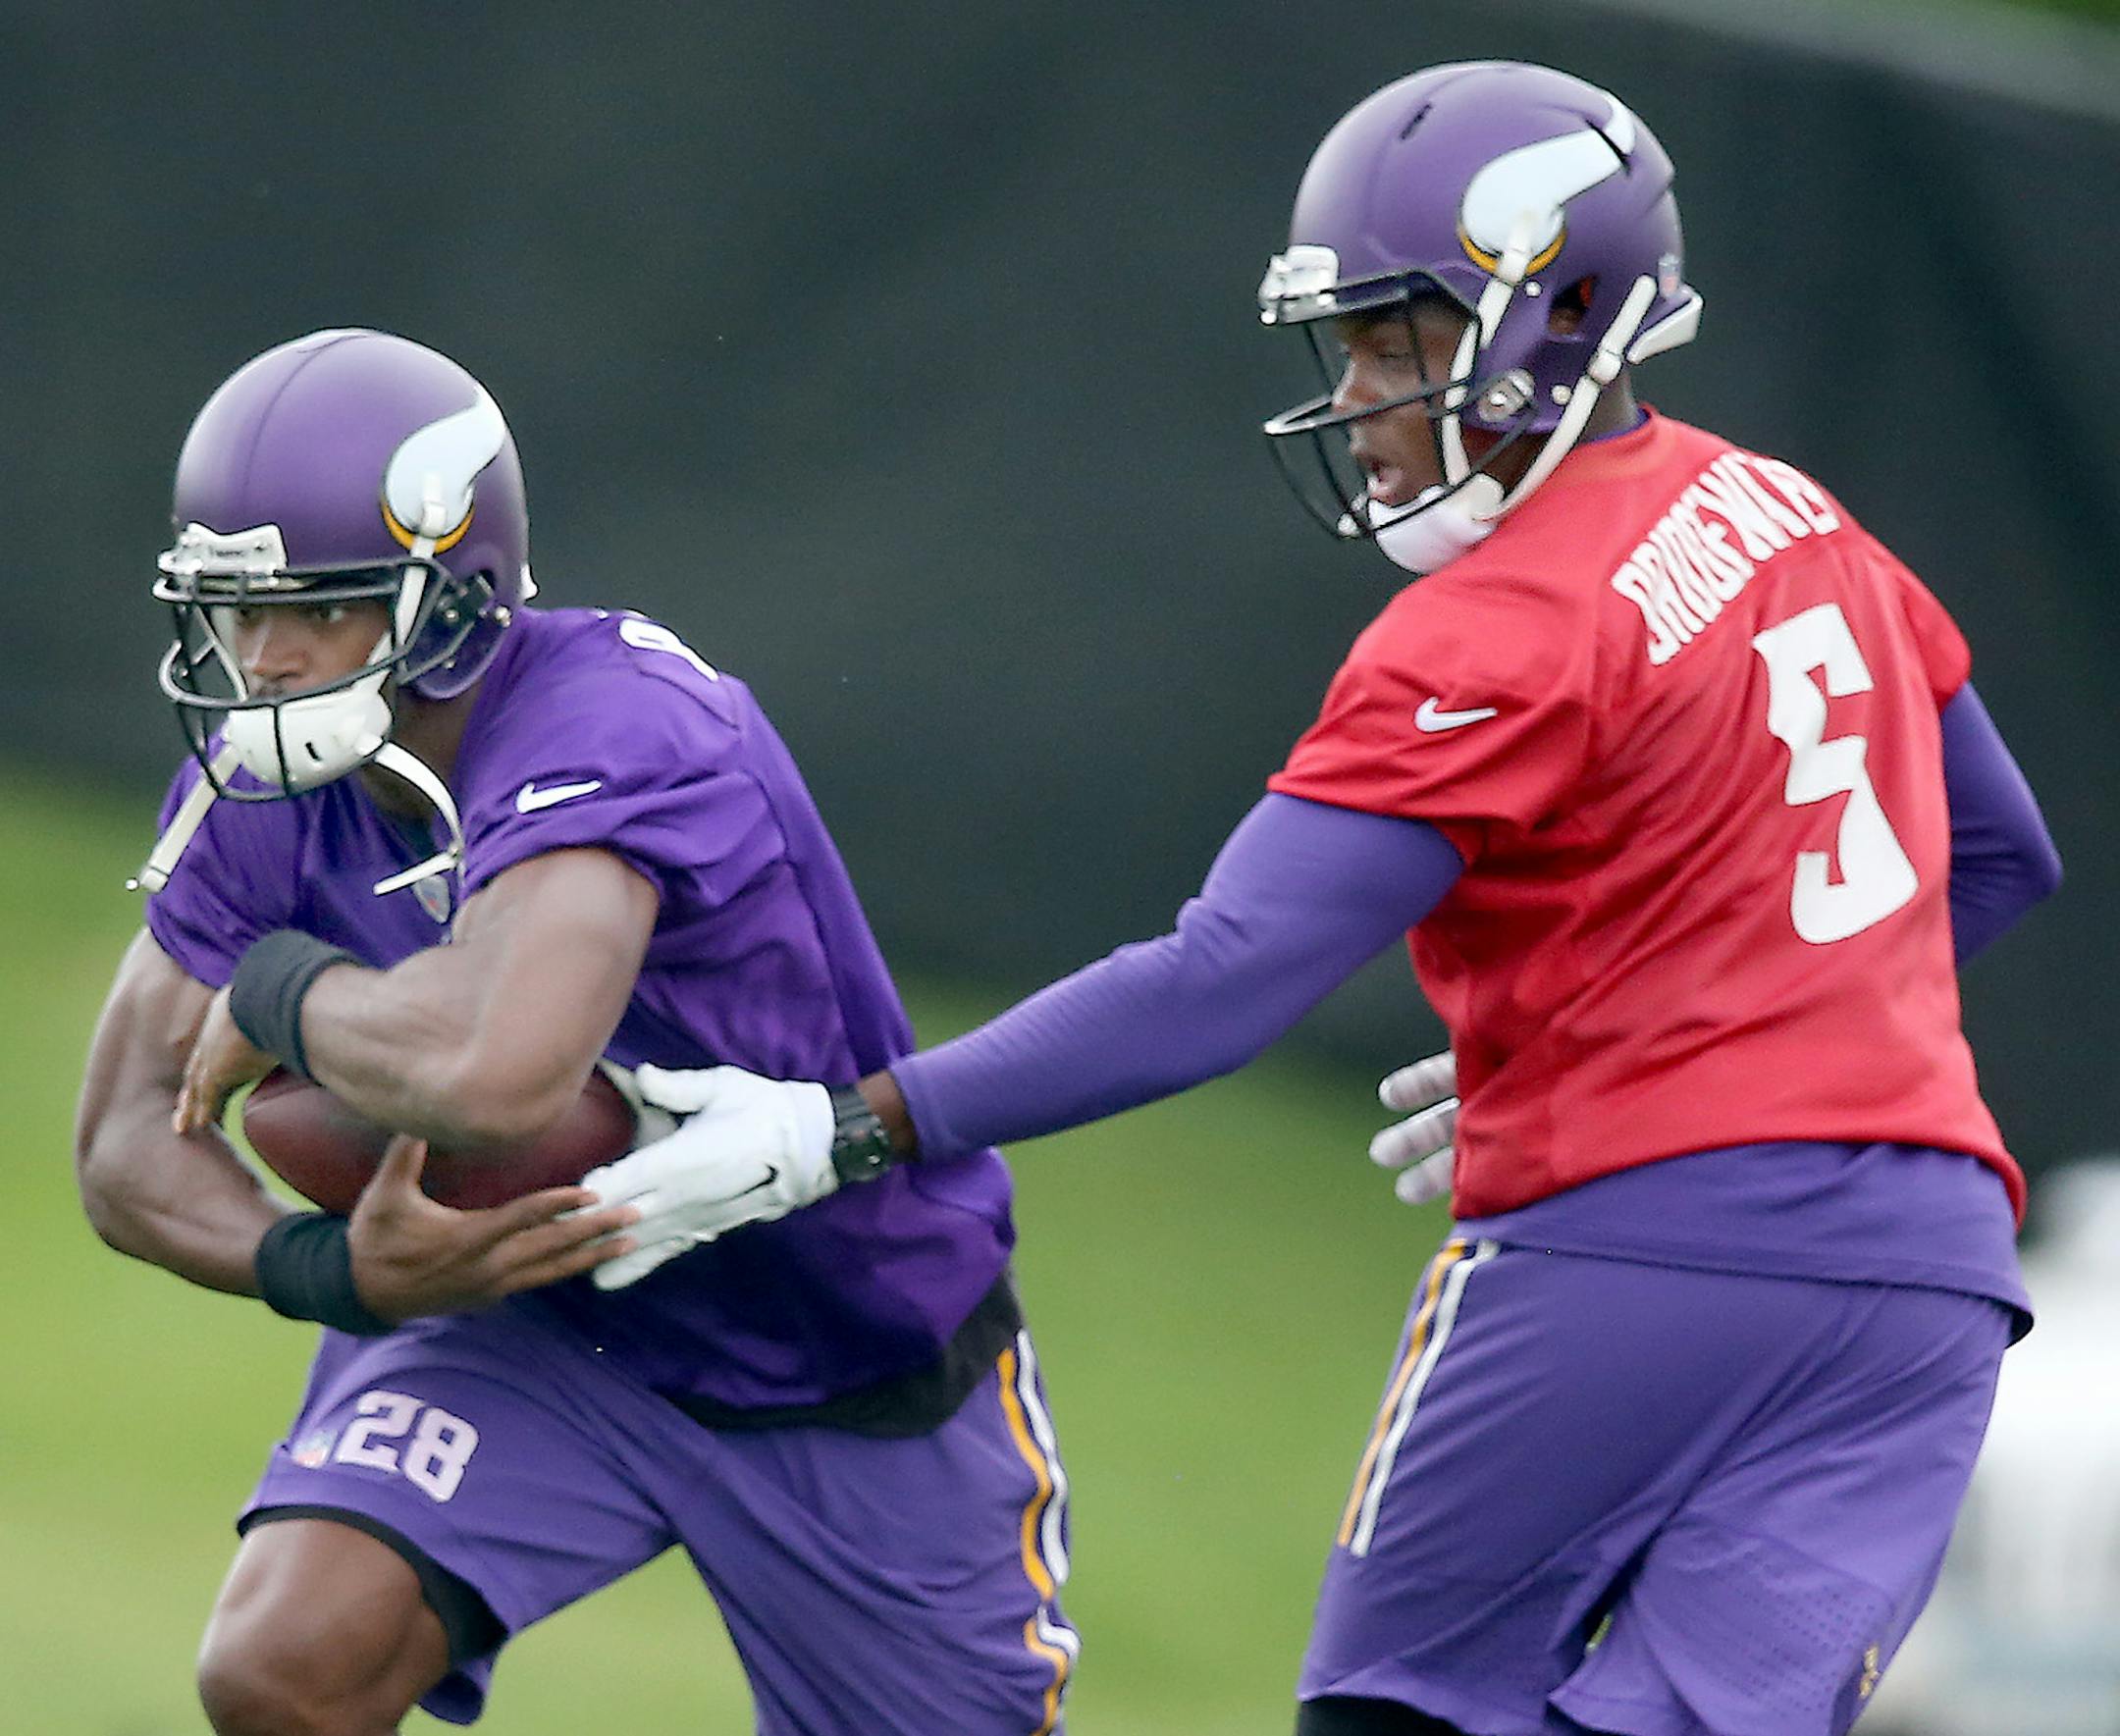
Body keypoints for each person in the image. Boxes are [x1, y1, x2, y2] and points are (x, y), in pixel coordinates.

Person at [577, 61, 2063, 1736]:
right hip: (1930, 1280)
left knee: (1397, 1715)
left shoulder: (1499, 622)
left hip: (1639, 1250)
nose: (1357, 395)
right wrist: (1689, 1020)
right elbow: (1999, 851)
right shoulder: (1801, 518)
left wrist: (838, 1131)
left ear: (1553, 313)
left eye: (1398, 341)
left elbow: (1223, 974)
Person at [73, 328, 1075, 1736]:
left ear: (450, 598)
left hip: (835, 1349)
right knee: (281, 1666)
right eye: (241, 613)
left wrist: (278, 986)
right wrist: (331, 1269)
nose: (269, 659)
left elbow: (499, 1068)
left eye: (320, 609)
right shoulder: (256, 782)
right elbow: (122, 1141)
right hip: (531, 1322)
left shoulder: (615, 720)